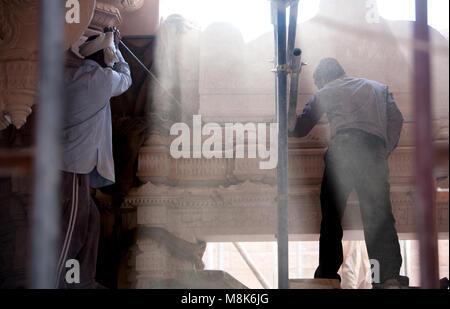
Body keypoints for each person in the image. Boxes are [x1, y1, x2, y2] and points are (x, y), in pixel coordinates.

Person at [289, 58, 408, 288]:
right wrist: (383, 149)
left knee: (332, 217)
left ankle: (328, 275)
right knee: (379, 218)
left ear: (322, 78)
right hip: (373, 153)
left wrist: (284, 120)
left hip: (343, 151)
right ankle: (385, 276)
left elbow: (300, 128)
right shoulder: (379, 89)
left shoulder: (328, 90)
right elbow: (397, 119)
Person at [57, 27, 132, 288]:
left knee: (91, 221)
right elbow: (125, 77)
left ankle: (83, 280)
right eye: (106, 55)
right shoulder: (99, 80)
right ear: (102, 56)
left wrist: (108, 47)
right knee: (72, 230)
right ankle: (61, 282)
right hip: (72, 168)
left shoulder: (69, 76)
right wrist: (117, 51)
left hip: (68, 165)